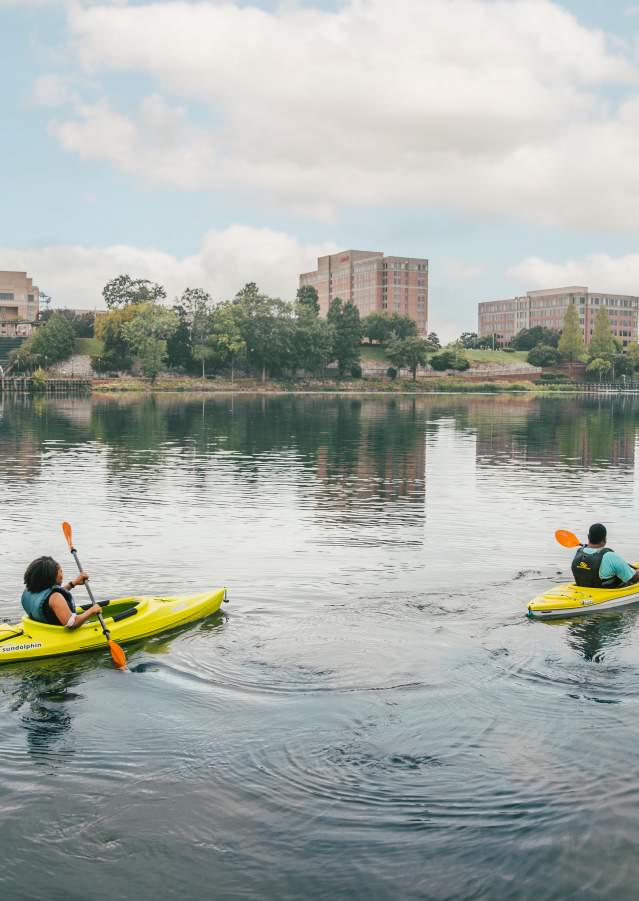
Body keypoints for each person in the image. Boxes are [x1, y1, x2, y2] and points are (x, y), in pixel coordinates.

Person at [21, 555, 100, 628]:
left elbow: (48, 597)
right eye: (60, 571)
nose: (62, 574)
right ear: (50, 576)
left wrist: (73, 584)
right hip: (57, 634)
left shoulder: (29, 590)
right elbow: (72, 623)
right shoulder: (55, 598)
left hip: (38, 627)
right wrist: (91, 611)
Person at [571, 523, 639, 589]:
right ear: (604, 539)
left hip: (583, 591)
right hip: (608, 595)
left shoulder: (579, 553)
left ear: (588, 537)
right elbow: (632, 578)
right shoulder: (610, 556)